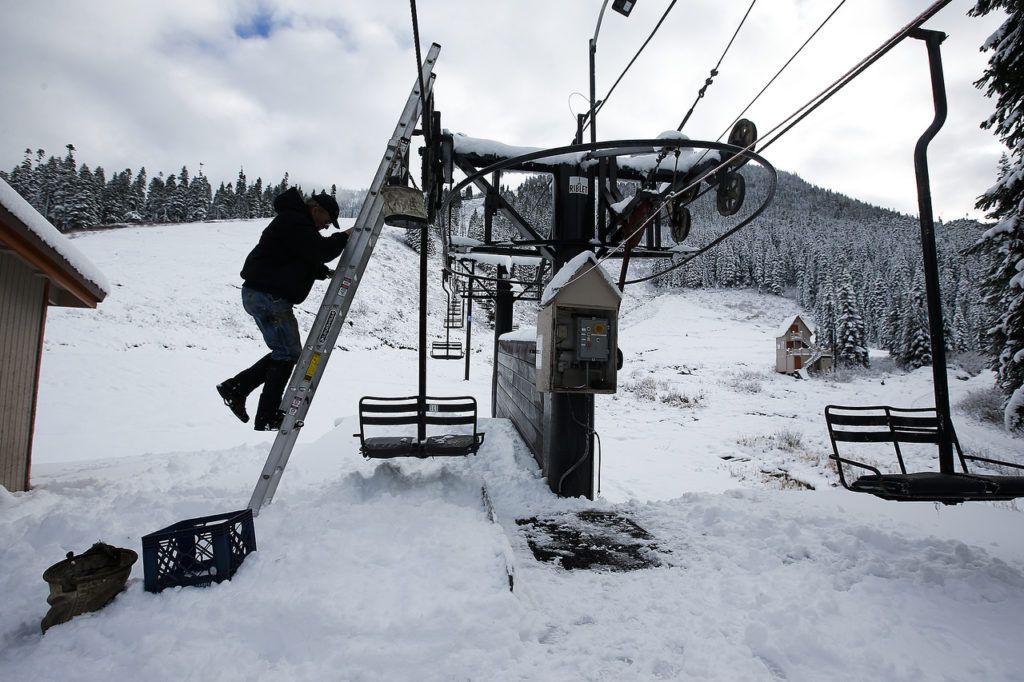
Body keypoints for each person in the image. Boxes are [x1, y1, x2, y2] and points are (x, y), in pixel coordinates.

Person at [217, 188, 352, 430]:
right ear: (316, 209)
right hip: (268, 295)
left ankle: (236, 388)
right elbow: (318, 251)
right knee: (288, 355)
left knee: (285, 353)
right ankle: (266, 414)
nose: (326, 226)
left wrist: (321, 272)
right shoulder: (295, 221)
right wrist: (345, 236)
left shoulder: (296, 223)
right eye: (327, 220)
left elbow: (299, 256)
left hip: (262, 294)